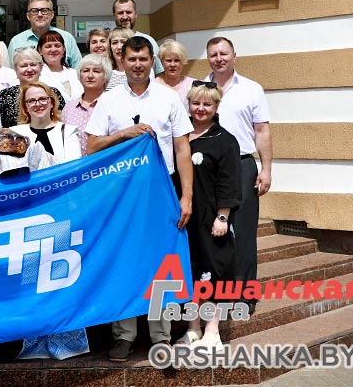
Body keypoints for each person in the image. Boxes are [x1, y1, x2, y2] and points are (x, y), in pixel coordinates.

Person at [85, 36, 193, 362]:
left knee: (162, 261)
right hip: (120, 192)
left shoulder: (168, 97)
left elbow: (182, 148)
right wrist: (123, 134)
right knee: (125, 260)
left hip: (161, 190)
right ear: (122, 60)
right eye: (131, 59)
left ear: (151, 61)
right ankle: (124, 335)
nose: (137, 64)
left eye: (143, 59)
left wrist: (187, 196)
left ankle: (161, 335)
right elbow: (92, 146)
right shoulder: (109, 100)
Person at [206, 36, 273, 313]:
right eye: (213, 54)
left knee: (244, 233)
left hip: (243, 165)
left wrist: (266, 168)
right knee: (213, 231)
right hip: (209, 168)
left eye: (224, 53)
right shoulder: (201, 88)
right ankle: (217, 290)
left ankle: (246, 295)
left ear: (234, 56)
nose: (219, 58)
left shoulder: (251, 89)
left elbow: (262, 131)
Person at [175, 81, 241, 353]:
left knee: (213, 271)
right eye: (196, 103)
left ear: (216, 106)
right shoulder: (180, 135)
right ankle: (193, 328)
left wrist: (223, 217)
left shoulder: (225, 140)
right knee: (189, 272)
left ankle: (212, 330)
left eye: (207, 104)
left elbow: (229, 181)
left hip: (211, 217)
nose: (200, 109)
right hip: (183, 218)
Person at [0, 48, 67, 128]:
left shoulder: (53, 93)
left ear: (41, 68)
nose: (29, 69)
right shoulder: (5, 95)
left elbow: (62, 121)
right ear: (16, 69)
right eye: (23, 66)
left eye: (33, 65)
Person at [12, 82, 81, 163]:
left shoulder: (68, 131)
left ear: (52, 103)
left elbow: (74, 164)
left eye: (43, 99)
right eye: (31, 101)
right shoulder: (15, 134)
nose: (38, 104)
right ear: (26, 107)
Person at [7, 0, 81, 69]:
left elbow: (78, 69)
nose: (39, 15)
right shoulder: (16, 41)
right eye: (34, 11)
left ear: (52, 15)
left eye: (44, 10)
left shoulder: (67, 38)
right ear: (28, 16)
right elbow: (10, 71)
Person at [63, 54, 112, 156]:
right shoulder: (69, 107)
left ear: (105, 76)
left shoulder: (113, 104)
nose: (90, 75)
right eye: (85, 71)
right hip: (75, 164)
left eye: (96, 71)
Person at [112, 0, 163, 75]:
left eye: (128, 12)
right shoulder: (109, 41)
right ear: (114, 16)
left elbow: (160, 73)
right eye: (120, 13)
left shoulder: (148, 40)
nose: (125, 17)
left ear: (135, 15)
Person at [38, 31, 84, 103]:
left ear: (64, 49)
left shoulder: (75, 74)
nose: (53, 49)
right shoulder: (37, 76)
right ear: (40, 50)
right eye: (48, 46)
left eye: (57, 46)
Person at [155, 39, 194, 105]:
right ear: (162, 62)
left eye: (176, 60)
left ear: (182, 62)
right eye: (169, 60)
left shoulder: (192, 85)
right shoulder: (154, 85)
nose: (172, 65)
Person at [105, 27, 134, 92]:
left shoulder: (141, 71)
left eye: (123, 42)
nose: (119, 47)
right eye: (115, 42)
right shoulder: (104, 72)